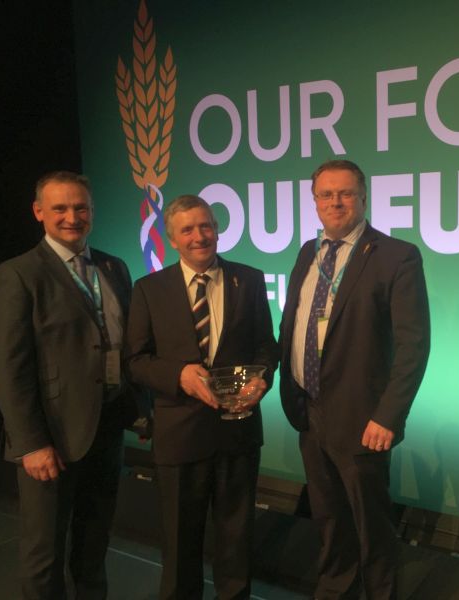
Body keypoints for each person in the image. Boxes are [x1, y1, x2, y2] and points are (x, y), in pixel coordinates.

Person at [279, 159, 431, 599]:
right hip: (310, 411)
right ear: (314, 201)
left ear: (363, 197)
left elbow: (413, 346)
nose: (335, 202)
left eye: (344, 193)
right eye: (325, 194)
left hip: (364, 420)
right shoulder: (308, 252)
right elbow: (295, 324)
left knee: (372, 528)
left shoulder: (395, 256)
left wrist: (388, 416)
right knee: (328, 520)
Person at [0, 171, 141, 599]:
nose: (72, 216)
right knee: (44, 555)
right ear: (39, 212)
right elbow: (7, 367)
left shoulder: (113, 266)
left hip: (106, 429)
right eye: (60, 208)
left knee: (94, 547)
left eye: (81, 207)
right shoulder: (17, 274)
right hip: (49, 439)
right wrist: (30, 443)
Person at [125, 194, 278, 600]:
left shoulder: (249, 279)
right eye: (188, 229)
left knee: (236, 543)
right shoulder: (148, 289)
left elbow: (267, 347)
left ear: (217, 228)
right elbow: (135, 361)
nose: (199, 236)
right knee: (179, 547)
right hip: (179, 435)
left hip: (238, 432)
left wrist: (262, 380)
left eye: (206, 225)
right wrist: (178, 374)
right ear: (172, 239)